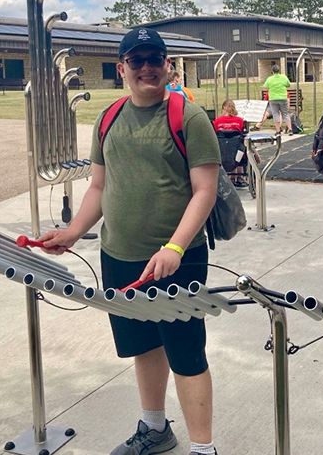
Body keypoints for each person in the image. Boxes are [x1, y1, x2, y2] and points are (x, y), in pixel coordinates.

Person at [40, 27, 222, 455]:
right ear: (121, 68)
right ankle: (156, 429)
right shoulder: (108, 119)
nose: (146, 68)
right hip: (119, 257)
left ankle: (203, 449)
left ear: (167, 65)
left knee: (187, 354)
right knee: (144, 345)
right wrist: (71, 232)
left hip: (177, 260)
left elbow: (205, 191)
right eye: (136, 61)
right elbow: (99, 188)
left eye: (154, 59)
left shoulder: (188, 117)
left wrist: (175, 247)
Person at [213, 99, 247, 187]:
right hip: (237, 152)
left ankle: (228, 178)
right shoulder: (240, 121)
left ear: (223, 108)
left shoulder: (217, 121)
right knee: (241, 149)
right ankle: (239, 177)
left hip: (222, 150)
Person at [251, 64, 291, 135]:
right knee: (285, 114)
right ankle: (290, 130)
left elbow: (265, 86)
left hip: (273, 99)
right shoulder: (284, 77)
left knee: (276, 114)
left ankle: (278, 130)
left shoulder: (270, 79)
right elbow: (288, 85)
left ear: (272, 71)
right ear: (279, 70)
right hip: (282, 98)